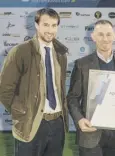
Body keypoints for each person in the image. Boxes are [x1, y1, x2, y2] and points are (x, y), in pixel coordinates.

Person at [0, 8, 68, 156]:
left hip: (57, 123)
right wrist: (22, 112)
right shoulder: (20, 51)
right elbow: (4, 90)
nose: (50, 30)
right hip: (31, 123)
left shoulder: (61, 53)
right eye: (46, 25)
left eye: (54, 25)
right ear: (37, 25)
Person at [67, 19, 115, 156]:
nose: (105, 39)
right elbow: (72, 98)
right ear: (93, 37)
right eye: (101, 34)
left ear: (114, 36)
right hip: (91, 133)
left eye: (108, 34)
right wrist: (80, 120)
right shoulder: (82, 65)